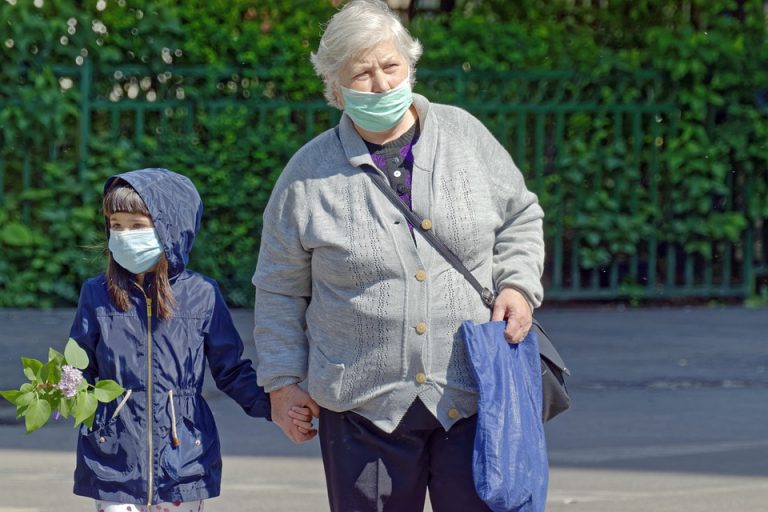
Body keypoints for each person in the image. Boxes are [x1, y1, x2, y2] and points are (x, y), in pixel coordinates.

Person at [252, 0, 545, 510]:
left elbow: (521, 216)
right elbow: (279, 286)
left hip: (473, 398)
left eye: (391, 66)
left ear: (410, 65)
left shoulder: (465, 138)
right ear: (335, 87)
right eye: (362, 73)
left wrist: (518, 285)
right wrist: (281, 382)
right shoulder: (307, 174)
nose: (382, 84)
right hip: (361, 410)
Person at [69, 168, 313, 512]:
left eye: (138, 226)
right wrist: (59, 388)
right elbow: (78, 366)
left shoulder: (202, 295)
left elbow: (230, 370)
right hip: (114, 457)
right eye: (116, 225)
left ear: (170, 229)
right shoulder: (96, 294)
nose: (124, 235)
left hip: (183, 457)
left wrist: (276, 407)